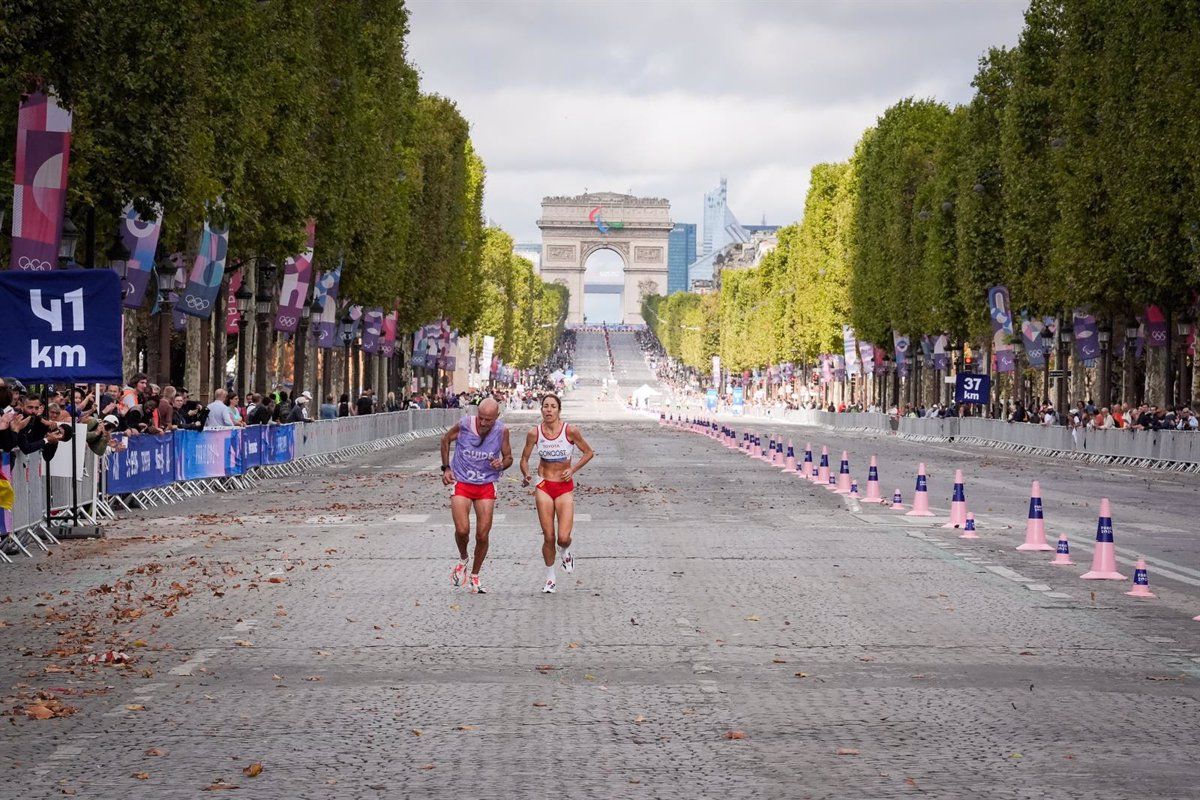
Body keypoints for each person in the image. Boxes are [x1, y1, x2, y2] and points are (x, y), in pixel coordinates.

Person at [519, 393, 595, 594]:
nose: (549, 410)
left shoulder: (570, 430)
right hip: (544, 485)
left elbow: (589, 452)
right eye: (545, 406)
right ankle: (550, 577)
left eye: (553, 406)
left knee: (563, 537)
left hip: (564, 487)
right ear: (541, 409)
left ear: (559, 410)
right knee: (549, 536)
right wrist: (526, 475)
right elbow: (524, 459)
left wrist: (573, 469)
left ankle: (566, 551)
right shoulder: (534, 433)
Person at [439, 398, 512, 594]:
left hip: (486, 484)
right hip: (462, 481)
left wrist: (501, 464)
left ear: (497, 417)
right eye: (481, 418)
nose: (484, 423)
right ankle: (463, 558)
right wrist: (446, 468)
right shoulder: (464, 424)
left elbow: (509, 457)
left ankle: (475, 575)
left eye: (489, 419)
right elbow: (445, 439)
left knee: (482, 534)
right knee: (462, 530)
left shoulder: (502, 430)